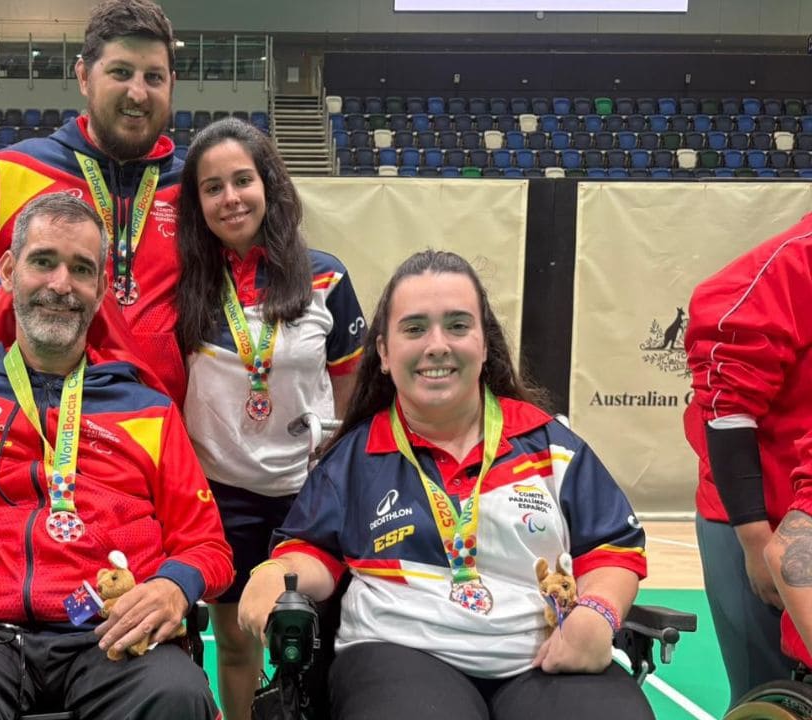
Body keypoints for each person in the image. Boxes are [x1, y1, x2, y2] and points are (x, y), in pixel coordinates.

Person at [0, 192, 233, 720]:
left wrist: (175, 585)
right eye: (44, 261)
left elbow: (207, 546)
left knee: (176, 693)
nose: (61, 285)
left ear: (101, 289)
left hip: (113, 632)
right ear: (9, 271)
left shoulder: (150, 410)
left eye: (81, 269)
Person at [236, 250, 651, 720]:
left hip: (540, 655)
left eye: (457, 326)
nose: (437, 345)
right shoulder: (354, 459)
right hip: (399, 652)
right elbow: (315, 556)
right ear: (385, 354)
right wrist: (276, 572)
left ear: (485, 344)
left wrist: (599, 612)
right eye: (414, 329)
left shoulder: (550, 446)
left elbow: (613, 548)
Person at [174, 118, 364, 720]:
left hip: (310, 498)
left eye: (242, 180)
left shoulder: (327, 278)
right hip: (220, 496)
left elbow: (351, 390)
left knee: (316, 641)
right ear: (197, 202)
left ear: (269, 186)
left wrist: (335, 465)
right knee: (235, 643)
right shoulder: (183, 286)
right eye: (212, 187)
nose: (230, 198)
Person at [0, 0, 190, 403]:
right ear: (84, 76)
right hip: (35, 414)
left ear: (171, 83)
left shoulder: (192, 187)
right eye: (120, 72)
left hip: (151, 421)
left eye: (153, 77)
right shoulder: (17, 168)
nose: (138, 92)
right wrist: (8, 292)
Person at [683, 218, 812, 701]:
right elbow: (727, 406)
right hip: (757, 515)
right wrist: (754, 540)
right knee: (767, 697)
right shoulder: (789, 265)